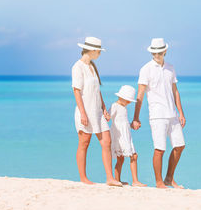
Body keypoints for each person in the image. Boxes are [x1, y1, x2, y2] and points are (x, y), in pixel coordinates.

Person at [132, 38, 186, 189]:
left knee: (180, 146)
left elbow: (175, 92)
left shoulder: (170, 68)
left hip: (173, 114)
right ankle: (159, 182)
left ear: (165, 51)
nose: (156, 54)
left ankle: (169, 178)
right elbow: (140, 94)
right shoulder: (146, 69)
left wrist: (181, 113)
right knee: (160, 148)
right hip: (157, 115)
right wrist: (136, 117)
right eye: (154, 51)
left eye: (159, 51)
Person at [71, 36, 122, 187]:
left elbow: (97, 91)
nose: (99, 54)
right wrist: (83, 113)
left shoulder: (92, 67)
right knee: (84, 143)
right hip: (85, 111)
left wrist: (104, 109)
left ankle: (110, 178)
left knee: (107, 141)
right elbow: (76, 91)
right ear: (92, 50)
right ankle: (83, 178)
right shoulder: (77, 67)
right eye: (99, 51)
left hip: (97, 112)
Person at [109, 85, 147, 187]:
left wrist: (131, 125)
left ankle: (118, 180)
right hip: (119, 136)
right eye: (128, 100)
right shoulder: (115, 106)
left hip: (126, 135)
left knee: (121, 158)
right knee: (133, 156)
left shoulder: (123, 107)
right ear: (121, 97)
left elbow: (123, 123)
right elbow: (108, 118)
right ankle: (135, 181)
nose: (129, 102)